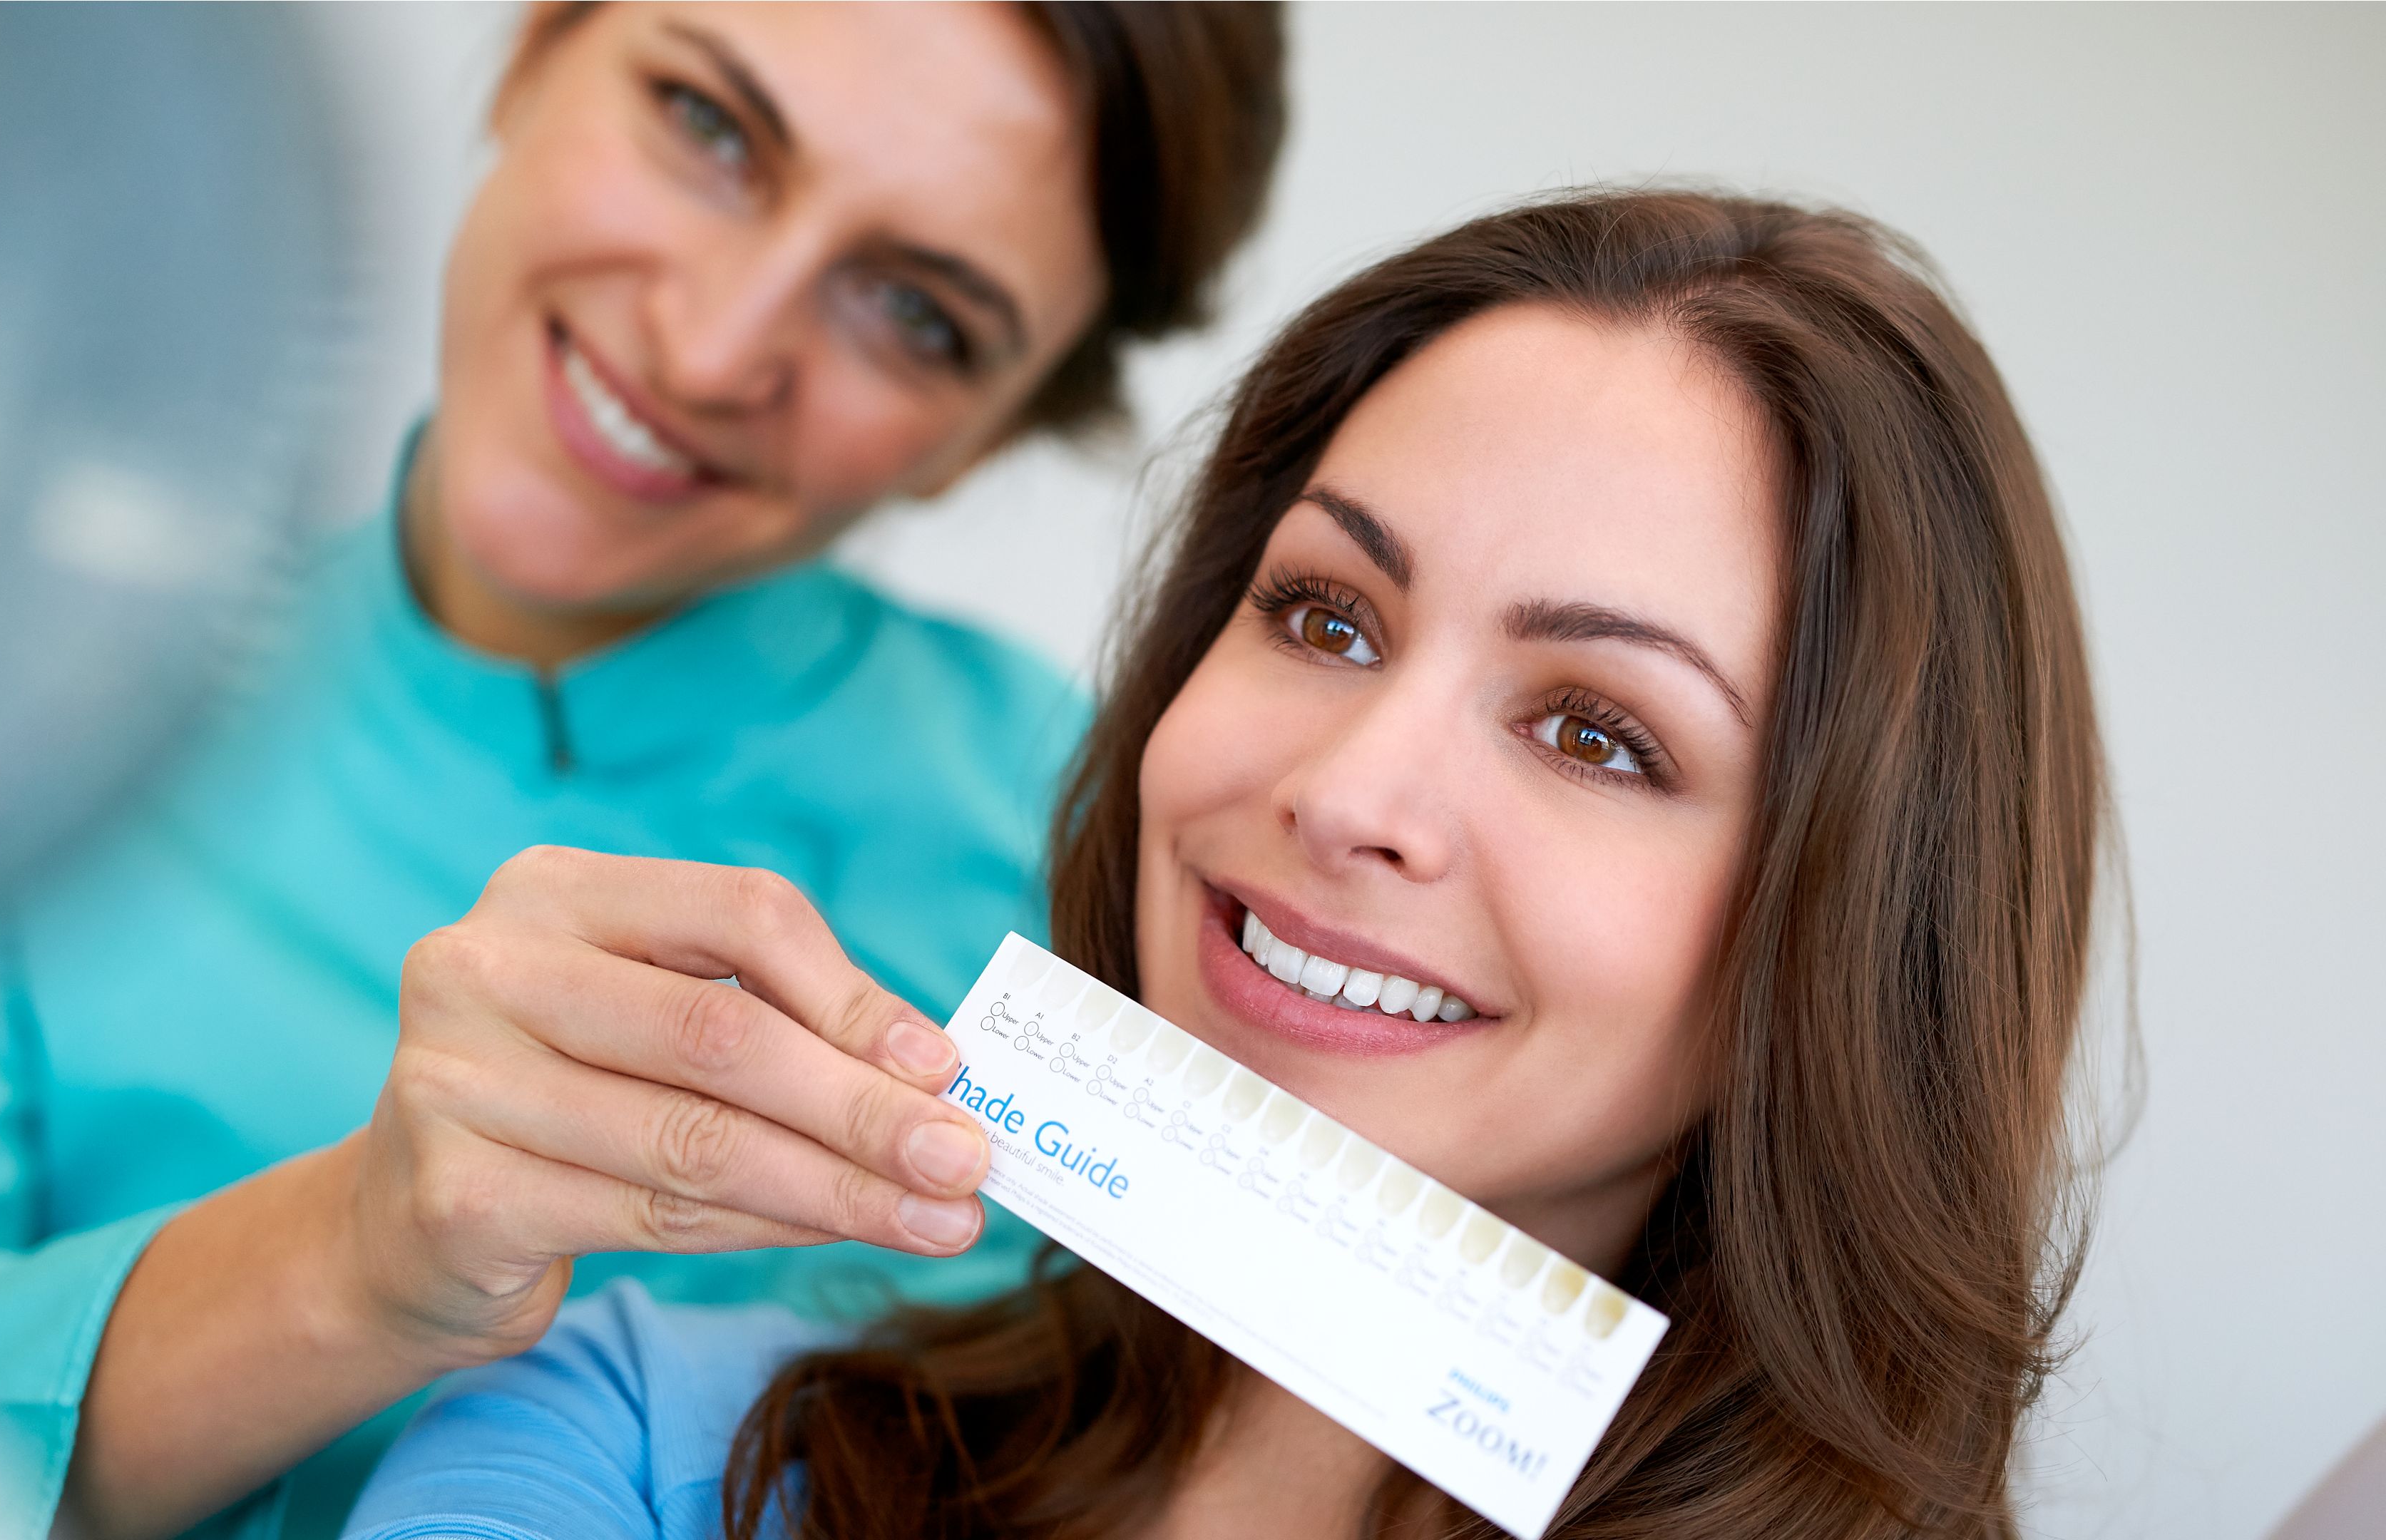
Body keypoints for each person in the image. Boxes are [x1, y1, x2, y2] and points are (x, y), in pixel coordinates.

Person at [0, 6, 1286, 1539]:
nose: (714, 348)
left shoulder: (1136, 888)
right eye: (709, 125)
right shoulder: (15, 688)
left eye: (917, 316)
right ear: (532, 49)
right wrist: (355, 1263)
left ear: (987, 432)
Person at [339, 187, 2111, 1540]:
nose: (1349, 792)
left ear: (1860, 943)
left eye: (1595, 730)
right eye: (1324, 615)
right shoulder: (641, 1441)